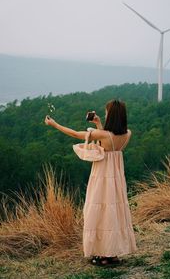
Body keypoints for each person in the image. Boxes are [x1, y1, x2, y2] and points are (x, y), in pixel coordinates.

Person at [45, 99, 137, 266]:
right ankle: (112, 254)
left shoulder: (102, 135)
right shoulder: (127, 134)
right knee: (113, 212)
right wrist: (99, 123)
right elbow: (109, 141)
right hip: (116, 178)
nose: (105, 114)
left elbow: (75, 134)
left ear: (112, 115)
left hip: (102, 176)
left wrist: (54, 124)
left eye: (107, 112)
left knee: (100, 212)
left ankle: (103, 255)